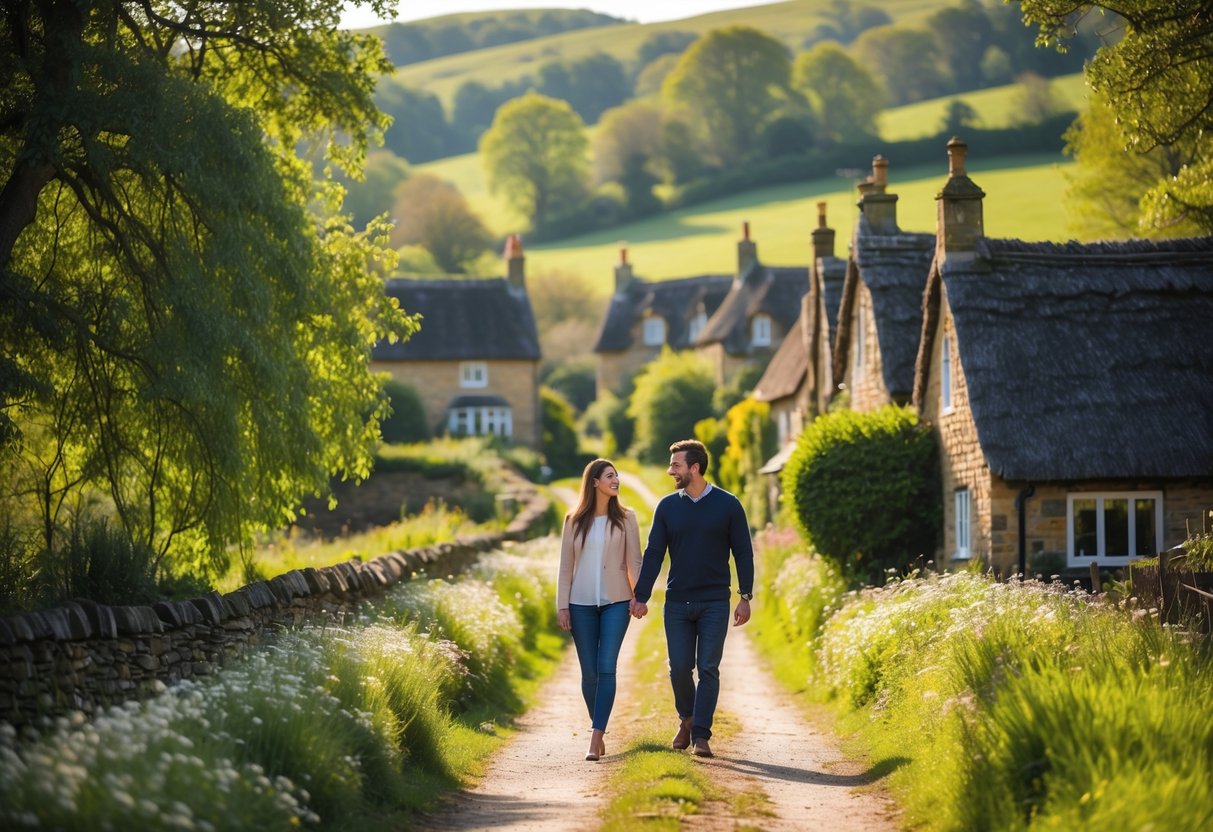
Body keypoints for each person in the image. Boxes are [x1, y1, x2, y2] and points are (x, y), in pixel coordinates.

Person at [629, 439, 753, 759]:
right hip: (677, 603)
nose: (671, 471)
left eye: (676, 465)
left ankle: (700, 735)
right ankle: (687, 718)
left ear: (694, 468)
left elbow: (743, 552)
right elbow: (654, 553)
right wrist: (640, 596)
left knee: (708, 668)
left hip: (714, 601)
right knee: (679, 668)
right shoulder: (668, 507)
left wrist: (745, 596)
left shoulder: (728, 505)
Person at [557, 458, 642, 761]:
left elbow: (635, 561)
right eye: (609, 476)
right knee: (590, 672)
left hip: (617, 602)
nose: (616, 480)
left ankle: (595, 738)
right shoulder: (573, 521)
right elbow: (566, 568)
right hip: (580, 604)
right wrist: (562, 605)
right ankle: (599, 726)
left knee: (607, 667)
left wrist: (639, 596)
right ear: (594, 482)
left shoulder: (627, 518)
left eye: (617, 475)